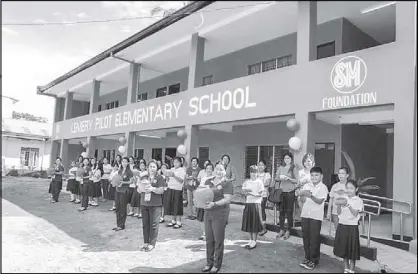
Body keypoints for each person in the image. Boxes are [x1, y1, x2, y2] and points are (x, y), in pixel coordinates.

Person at [201, 162, 233, 274]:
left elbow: (227, 199)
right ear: (214, 170)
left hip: (220, 213)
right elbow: (202, 193)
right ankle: (209, 262)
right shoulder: (208, 181)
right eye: (217, 169)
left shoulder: (227, 183)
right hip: (208, 212)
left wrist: (214, 204)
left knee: (218, 240)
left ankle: (216, 264)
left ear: (225, 171)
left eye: (221, 169)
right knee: (209, 239)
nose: (219, 171)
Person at [298, 166, 329, 270]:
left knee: (314, 239)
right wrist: (301, 194)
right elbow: (302, 200)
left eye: (316, 175)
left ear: (321, 176)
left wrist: (310, 195)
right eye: (312, 175)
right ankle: (307, 257)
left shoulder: (323, 187)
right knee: (306, 237)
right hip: (305, 214)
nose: (314, 177)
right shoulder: (307, 185)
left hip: (316, 216)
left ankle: (314, 260)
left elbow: (320, 201)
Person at [333, 179, 363, 273]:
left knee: (352, 249)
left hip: (352, 227)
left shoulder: (358, 200)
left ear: (356, 189)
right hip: (342, 225)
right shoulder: (343, 197)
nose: (349, 190)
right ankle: (346, 267)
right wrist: (338, 205)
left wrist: (348, 205)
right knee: (344, 248)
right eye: (347, 188)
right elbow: (338, 213)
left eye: (351, 188)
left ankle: (352, 269)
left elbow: (355, 214)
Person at [139, 160, 166, 252]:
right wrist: (142, 188)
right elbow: (138, 189)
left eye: (154, 167)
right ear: (147, 167)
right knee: (145, 224)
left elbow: (161, 190)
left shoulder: (160, 178)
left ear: (157, 168)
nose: (152, 168)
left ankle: (152, 243)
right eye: (150, 166)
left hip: (155, 204)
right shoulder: (143, 177)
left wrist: (152, 189)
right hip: (144, 203)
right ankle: (145, 242)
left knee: (154, 224)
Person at [275, 152, 298, 240]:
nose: (286, 160)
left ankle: (288, 230)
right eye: (285, 158)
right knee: (281, 212)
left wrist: (289, 178)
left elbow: (297, 181)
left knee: (289, 212)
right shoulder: (281, 167)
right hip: (282, 192)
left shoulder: (293, 168)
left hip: (290, 192)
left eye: (288, 158)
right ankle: (281, 230)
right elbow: (276, 178)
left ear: (291, 159)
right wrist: (280, 178)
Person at [241, 165, 264, 249]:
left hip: (255, 204)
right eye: (251, 172)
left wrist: (253, 194)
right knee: (248, 222)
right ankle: (250, 239)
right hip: (248, 203)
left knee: (254, 223)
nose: (253, 174)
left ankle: (254, 240)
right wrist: (245, 192)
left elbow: (261, 194)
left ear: (257, 173)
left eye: (255, 172)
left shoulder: (259, 182)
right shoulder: (247, 182)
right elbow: (243, 191)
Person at [163, 156, 186, 229]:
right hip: (170, 188)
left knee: (177, 205)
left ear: (180, 163)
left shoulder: (182, 170)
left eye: (177, 162)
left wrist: (174, 175)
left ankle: (179, 221)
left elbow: (181, 180)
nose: (175, 163)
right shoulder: (171, 169)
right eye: (174, 162)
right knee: (172, 205)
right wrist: (166, 176)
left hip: (177, 189)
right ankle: (173, 220)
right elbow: (168, 180)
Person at [114, 157, 134, 231]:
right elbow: (117, 179)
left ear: (128, 163)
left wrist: (123, 182)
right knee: (117, 207)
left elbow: (131, 182)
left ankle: (122, 225)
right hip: (118, 190)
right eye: (123, 161)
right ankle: (118, 224)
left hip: (124, 191)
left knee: (122, 208)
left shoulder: (129, 171)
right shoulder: (120, 171)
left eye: (126, 162)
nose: (124, 163)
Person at [196, 162, 214, 241]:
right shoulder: (203, 178)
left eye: (210, 169)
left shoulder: (214, 178)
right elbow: (200, 187)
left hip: (210, 199)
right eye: (207, 169)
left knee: (210, 218)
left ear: (212, 170)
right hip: (203, 199)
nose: (209, 170)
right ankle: (204, 233)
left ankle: (210, 234)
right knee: (204, 218)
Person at [327, 167, 350, 231]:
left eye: (343, 173)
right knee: (337, 230)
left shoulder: (350, 186)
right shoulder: (334, 186)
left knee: (345, 231)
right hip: (335, 212)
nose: (340, 175)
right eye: (339, 173)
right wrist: (329, 212)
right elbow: (331, 199)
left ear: (347, 175)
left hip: (346, 213)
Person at [256, 160, 271, 236]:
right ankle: (258, 227)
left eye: (262, 165)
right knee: (256, 211)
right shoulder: (255, 174)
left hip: (263, 195)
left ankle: (263, 228)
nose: (260, 166)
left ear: (265, 166)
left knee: (261, 210)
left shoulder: (267, 174)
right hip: (255, 195)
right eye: (259, 165)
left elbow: (267, 184)